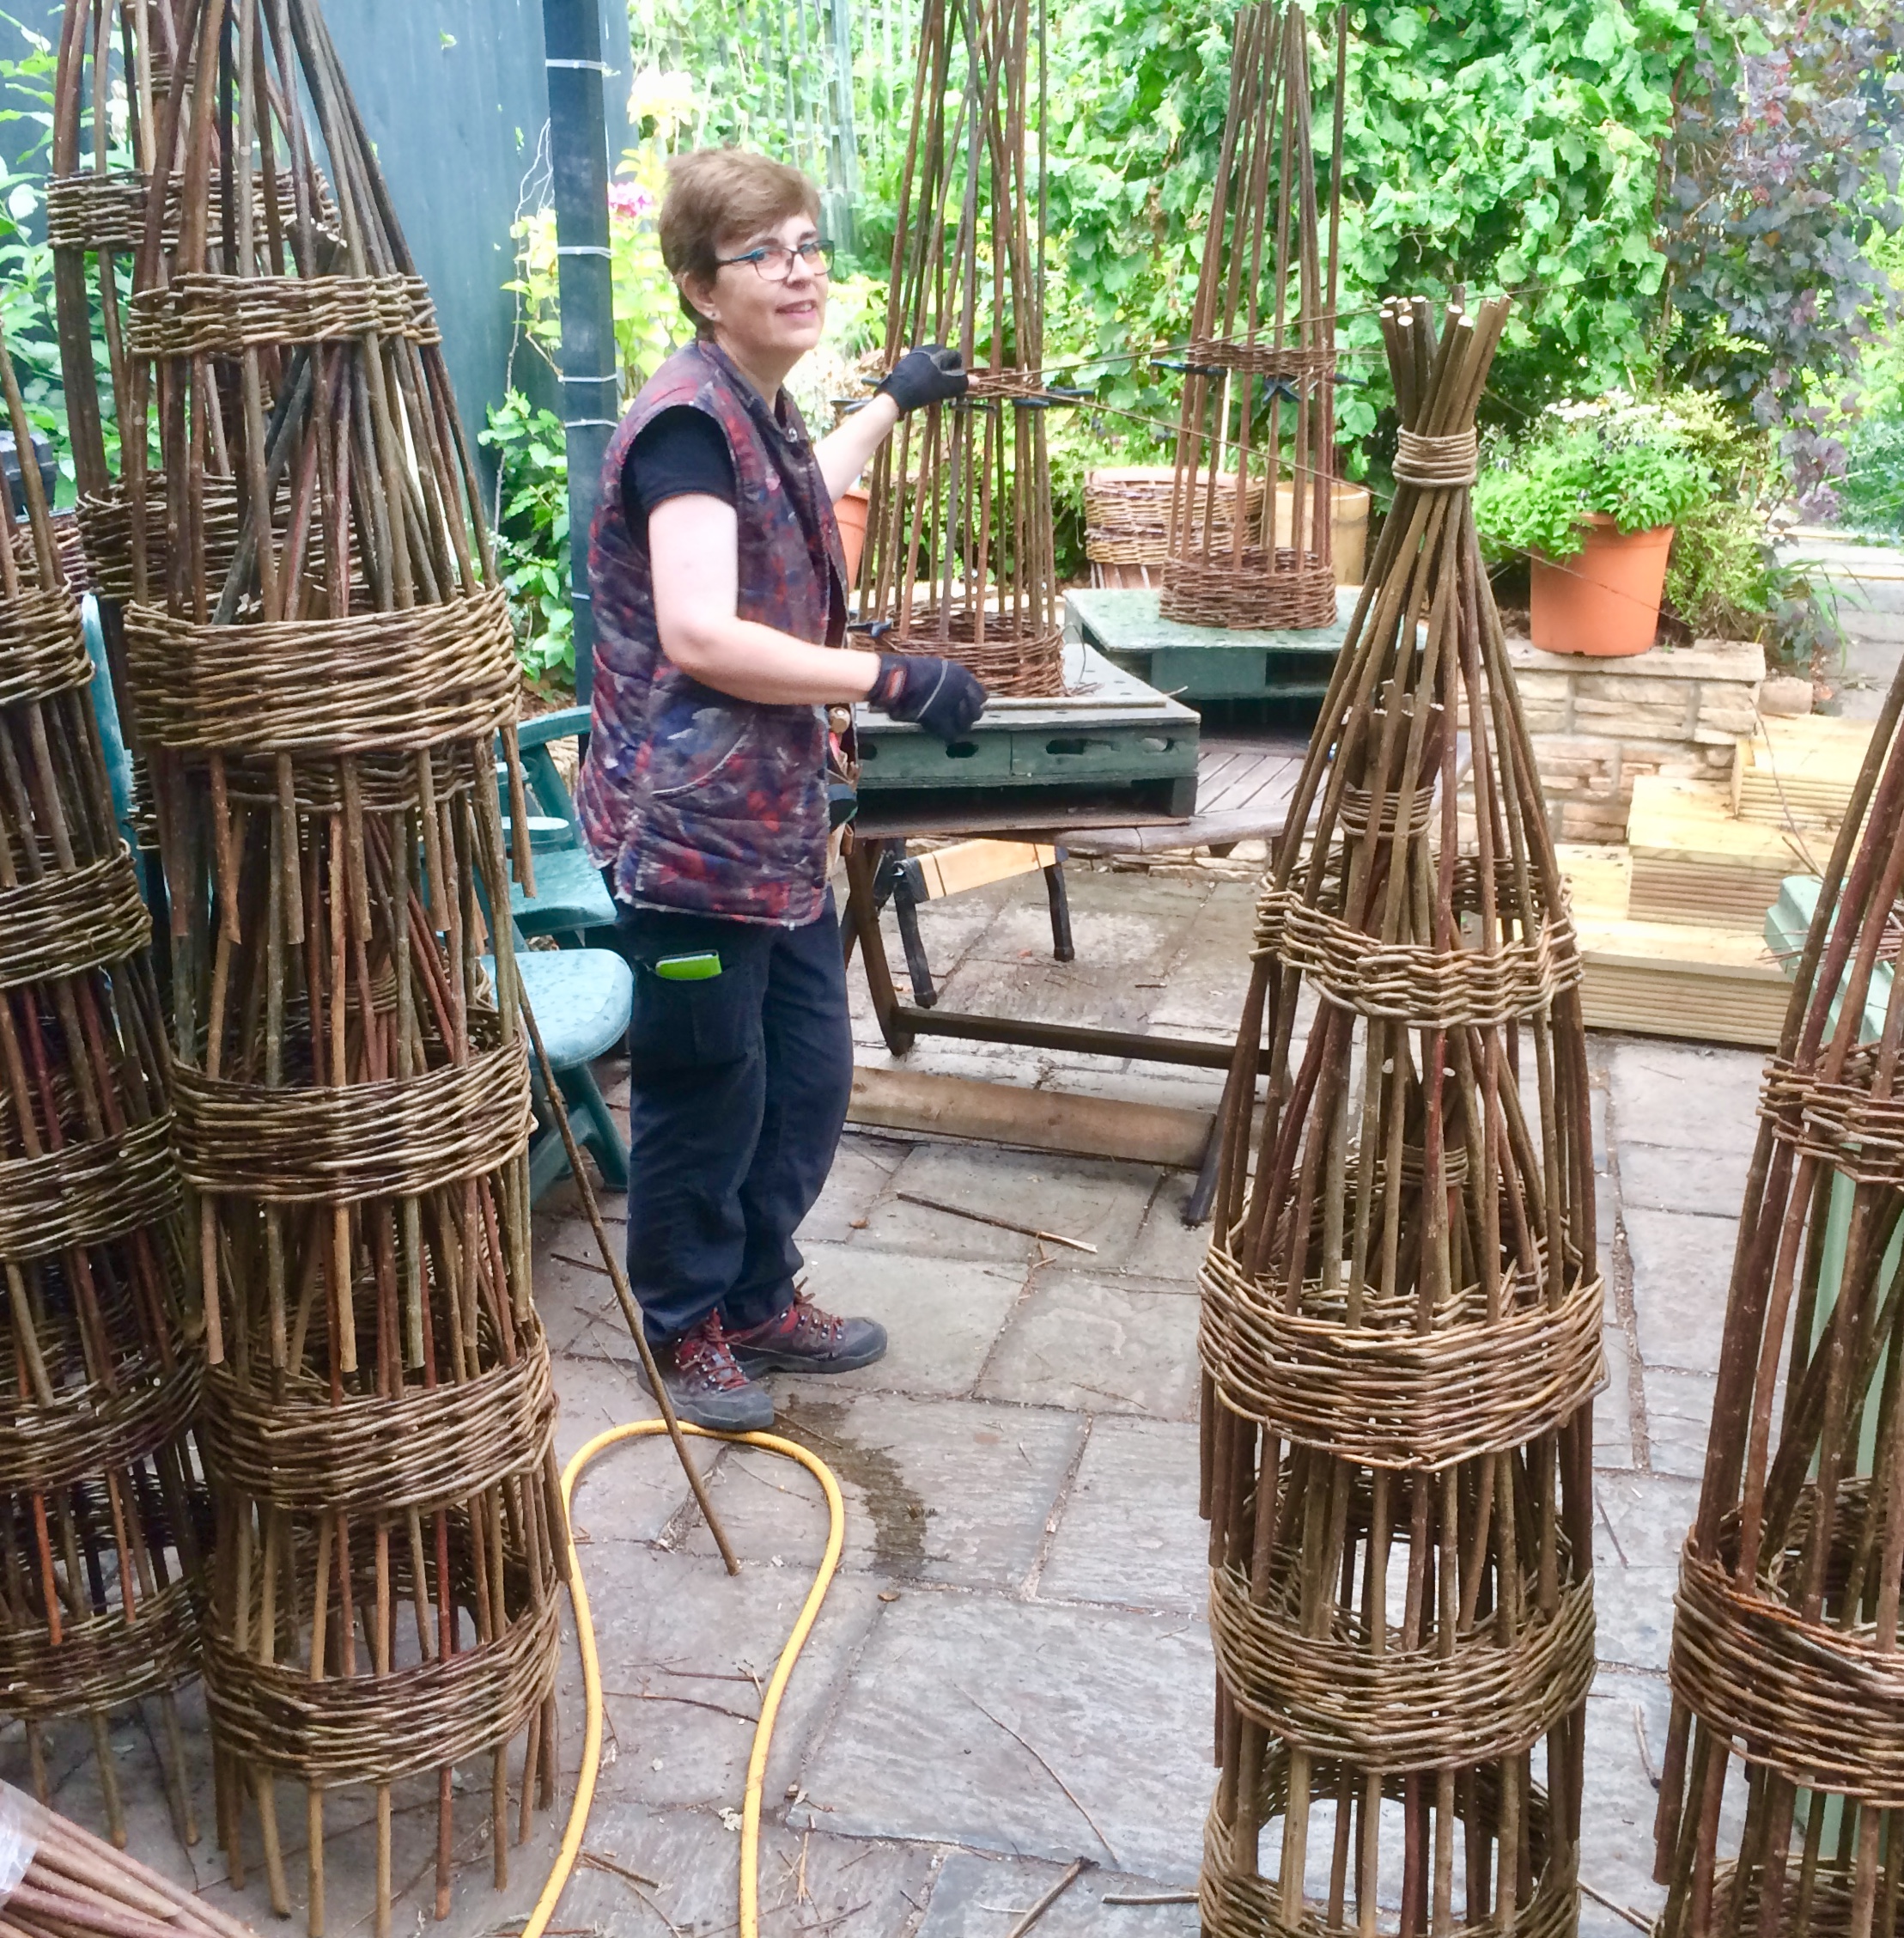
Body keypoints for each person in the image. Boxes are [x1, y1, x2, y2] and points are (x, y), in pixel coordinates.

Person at [577, 148, 986, 1431]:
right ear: (703, 287)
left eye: (808, 245)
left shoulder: (754, 403)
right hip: (690, 841)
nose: (799, 271)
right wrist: (886, 679)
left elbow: (801, 490)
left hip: (770, 826)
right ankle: (684, 1324)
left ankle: (757, 1292)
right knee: (709, 1088)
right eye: (764, 254)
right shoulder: (687, 427)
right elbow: (698, 632)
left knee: (802, 1075)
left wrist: (892, 401)